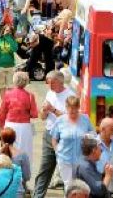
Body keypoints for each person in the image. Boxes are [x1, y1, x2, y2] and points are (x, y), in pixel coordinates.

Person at [33, 70, 75, 198]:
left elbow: (71, 118)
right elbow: (42, 117)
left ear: (60, 82)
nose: (49, 86)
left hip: (65, 138)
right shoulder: (50, 93)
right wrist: (44, 112)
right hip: (49, 134)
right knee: (44, 169)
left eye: (51, 83)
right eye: (47, 83)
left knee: (67, 172)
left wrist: (53, 110)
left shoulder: (70, 96)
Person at [0, 71, 38, 173]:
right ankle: (23, 177)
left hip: (10, 125)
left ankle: (8, 172)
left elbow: (1, 113)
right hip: (24, 127)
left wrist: (1, 128)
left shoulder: (8, 94)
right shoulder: (30, 96)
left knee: (8, 150)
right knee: (25, 152)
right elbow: (34, 114)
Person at [51, 95, 94, 188]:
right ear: (66, 107)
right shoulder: (60, 120)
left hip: (81, 159)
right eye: (69, 108)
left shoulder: (85, 119)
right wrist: (57, 151)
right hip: (64, 158)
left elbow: (93, 133)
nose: (71, 110)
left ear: (78, 107)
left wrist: (88, 136)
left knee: (81, 186)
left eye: (74, 108)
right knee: (69, 186)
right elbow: (54, 139)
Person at [0, 128, 31, 198]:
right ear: (14, 140)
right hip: (17, 193)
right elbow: (26, 176)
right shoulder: (22, 155)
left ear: (1, 139)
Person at [0, 25, 18, 99]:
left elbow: (14, 49)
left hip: (10, 66)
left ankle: (10, 103)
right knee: (2, 87)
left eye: (10, 31)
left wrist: (9, 38)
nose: (8, 32)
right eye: (6, 30)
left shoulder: (12, 40)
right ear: (3, 31)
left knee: (11, 87)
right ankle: (4, 103)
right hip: (0, 67)